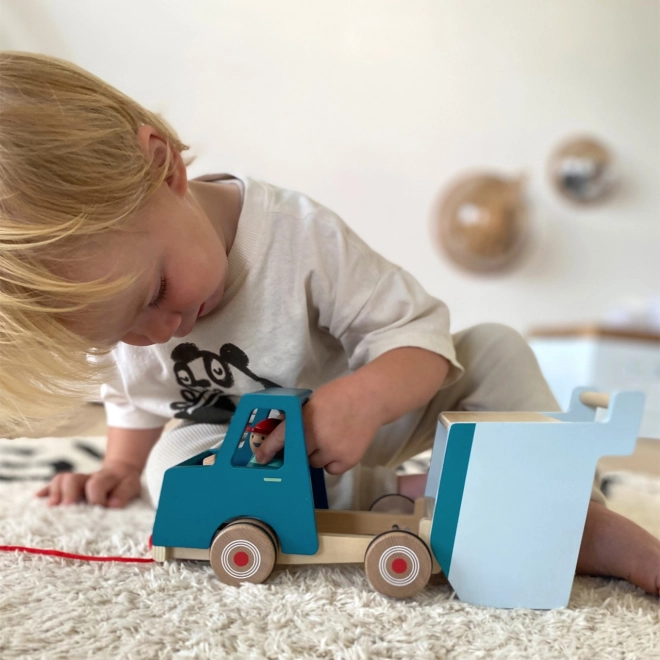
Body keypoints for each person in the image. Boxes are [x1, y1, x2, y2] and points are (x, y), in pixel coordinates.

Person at [0, 52, 657, 597]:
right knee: (170, 476)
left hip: (378, 408)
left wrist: (362, 399)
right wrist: (119, 464)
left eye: (159, 292)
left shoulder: (296, 238)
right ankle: (390, 499)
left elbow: (419, 335)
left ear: (162, 167)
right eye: (118, 333)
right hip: (250, 450)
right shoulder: (117, 310)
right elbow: (130, 393)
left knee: (496, 351)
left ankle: (567, 511)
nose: (158, 332)